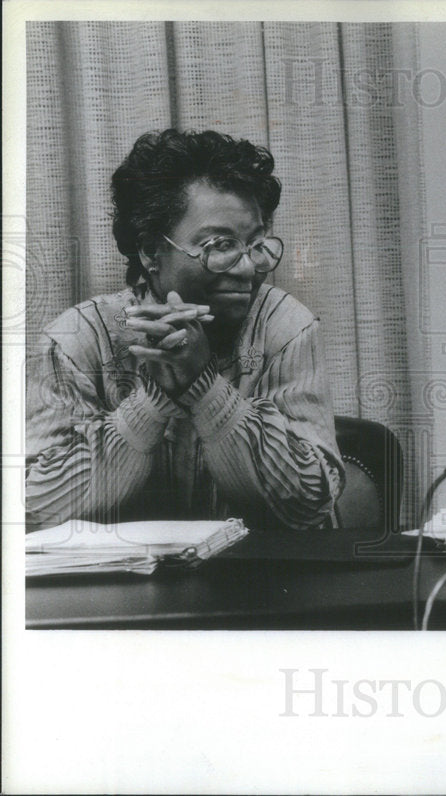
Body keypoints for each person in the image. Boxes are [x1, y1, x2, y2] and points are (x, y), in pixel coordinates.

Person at [26, 129, 344, 531]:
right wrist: (153, 402)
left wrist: (206, 388)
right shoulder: (77, 340)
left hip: (258, 582)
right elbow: (35, 507)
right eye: (220, 245)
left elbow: (310, 503)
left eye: (256, 245)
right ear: (149, 250)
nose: (247, 269)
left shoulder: (284, 327)